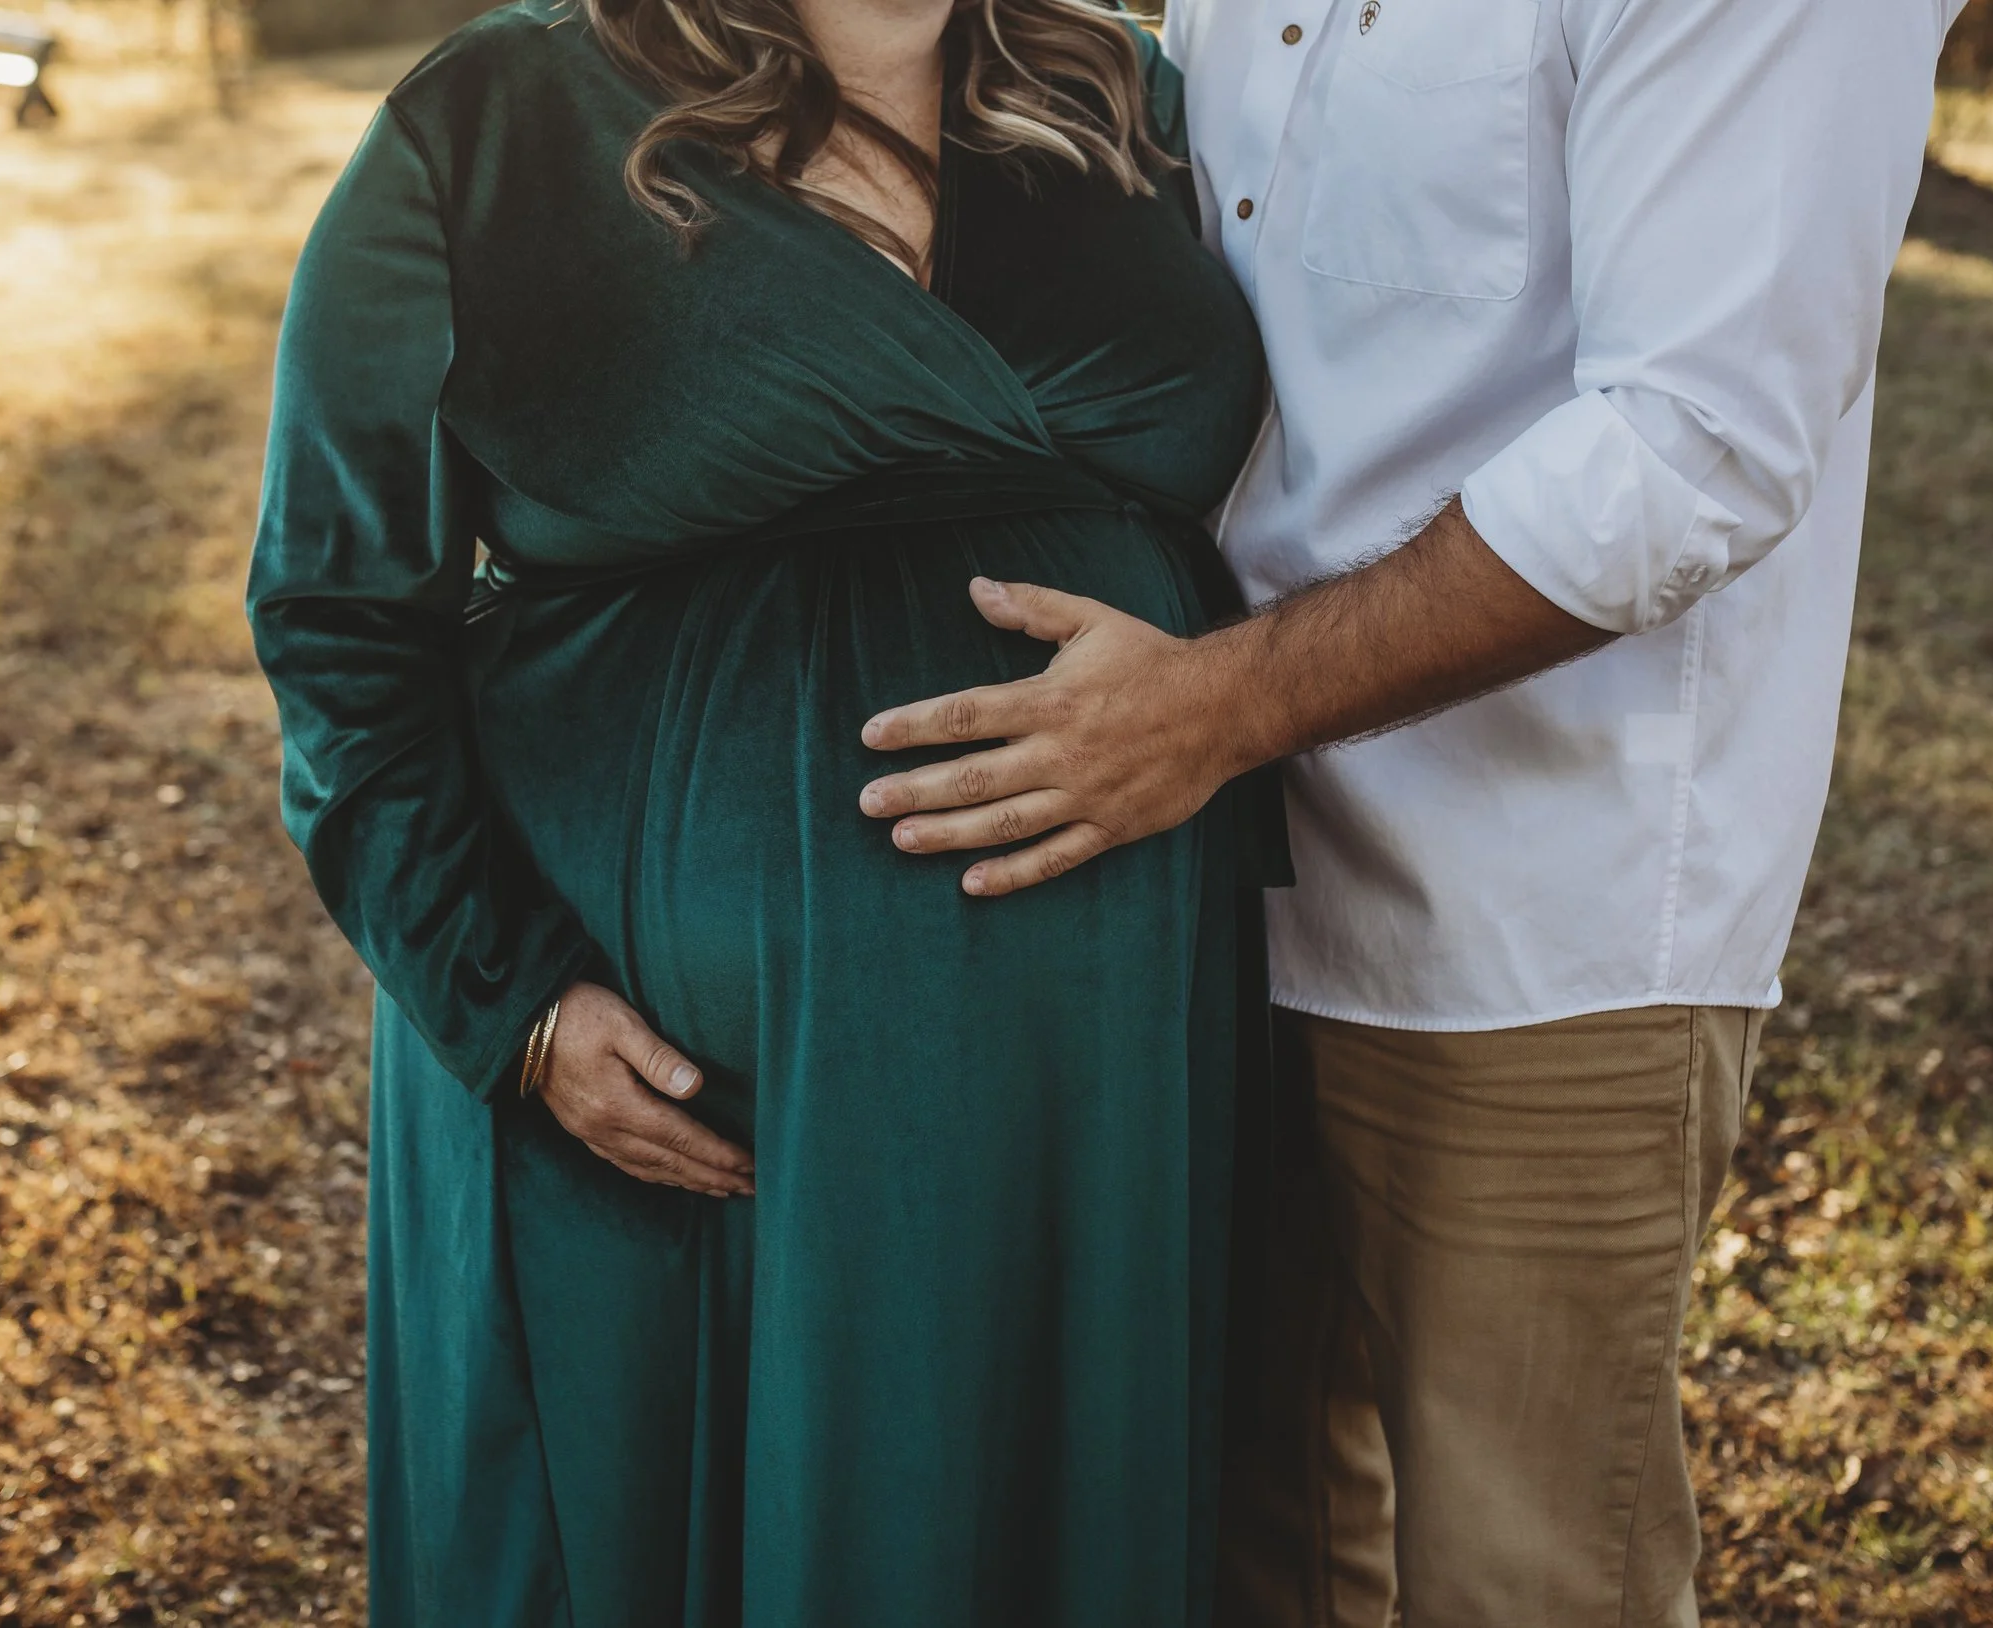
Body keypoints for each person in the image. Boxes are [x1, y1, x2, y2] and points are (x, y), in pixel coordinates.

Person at [853, 1, 1968, 1623]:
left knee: (1521, 1576)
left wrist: (1208, 710)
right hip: (1189, 871)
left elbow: (1692, 450)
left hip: (1533, 913)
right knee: (1242, 1545)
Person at [245, 0, 1285, 1617]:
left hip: (1094, 1066)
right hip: (678, 1092)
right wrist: (507, 997)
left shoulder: (1123, 95)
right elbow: (337, 610)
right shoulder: (500, 120)